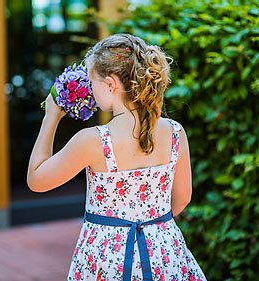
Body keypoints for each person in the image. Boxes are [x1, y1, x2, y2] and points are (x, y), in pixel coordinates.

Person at [26, 34, 205, 281]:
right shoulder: (175, 132)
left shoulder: (93, 140)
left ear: (110, 84)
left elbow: (37, 179)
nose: (90, 89)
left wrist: (51, 117)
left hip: (108, 258)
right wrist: (150, 225)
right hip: (165, 252)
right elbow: (182, 199)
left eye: (92, 81)